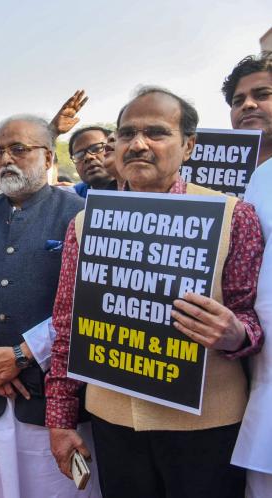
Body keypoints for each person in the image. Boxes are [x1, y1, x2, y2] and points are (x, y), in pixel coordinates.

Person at [46, 87, 264, 498]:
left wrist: (235, 334)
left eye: (157, 133)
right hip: (113, 424)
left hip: (206, 428)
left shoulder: (234, 216)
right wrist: (60, 419)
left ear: (188, 146)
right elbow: (67, 326)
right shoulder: (85, 224)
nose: (138, 144)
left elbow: (251, 319)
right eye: (127, 134)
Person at [0, 114, 94, 498]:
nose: (6, 159)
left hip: (53, 400)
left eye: (19, 149)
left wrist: (23, 354)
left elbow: (86, 305)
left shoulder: (79, 216)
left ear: (48, 156)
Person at [226, 54, 272, 497]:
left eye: (263, 94)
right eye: (238, 100)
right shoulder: (211, 183)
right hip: (233, 377)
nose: (248, 106)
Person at [69, 126, 116, 197]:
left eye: (96, 148)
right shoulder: (72, 196)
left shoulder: (134, 188)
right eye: (79, 155)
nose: (88, 157)